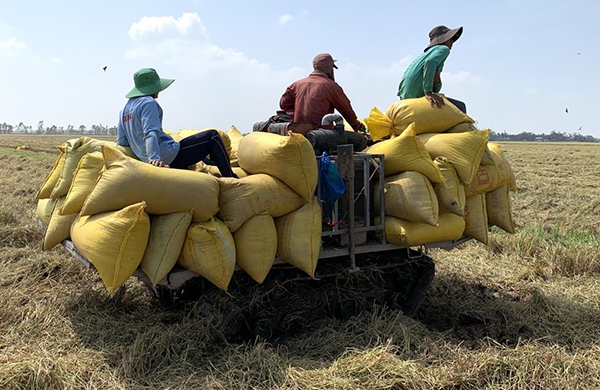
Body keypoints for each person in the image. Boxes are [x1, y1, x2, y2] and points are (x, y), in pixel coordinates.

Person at [117, 67, 237, 177]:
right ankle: (231, 178)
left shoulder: (124, 110)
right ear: (153, 87)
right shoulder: (148, 103)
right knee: (212, 136)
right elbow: (150, 133)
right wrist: (154, 160)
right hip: (169, 156)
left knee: (202, 154)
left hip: (148, 158)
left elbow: (122, 141)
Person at [280, 53, 368, 152]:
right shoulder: (331, 86)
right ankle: (345, 166)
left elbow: (283, 104)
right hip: (321, 135)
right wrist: (357, 126)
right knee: (361, 140)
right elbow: (346, 111)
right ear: (330, 69)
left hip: (299, 134)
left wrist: (299, 115)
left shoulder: (296, 84)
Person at [397, 25, 467, 114]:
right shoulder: (443, 49)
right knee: (460, 106)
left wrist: (437, 79)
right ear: (444, 39)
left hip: (404, 98)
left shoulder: (425, 55)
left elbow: (436, 89)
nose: (452, 41)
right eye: (450, 38)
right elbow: (430, 62)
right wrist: (428, 93)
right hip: (417, 97)